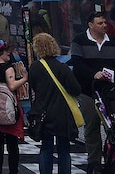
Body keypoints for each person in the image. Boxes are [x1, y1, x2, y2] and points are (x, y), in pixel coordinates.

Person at [70, 12, 115, 173]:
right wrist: (93, 74)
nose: (104, 26)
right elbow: (77, 64)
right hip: (88, 91)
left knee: (113, 127)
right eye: (100, 23)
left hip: (110, 92)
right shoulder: (79, 41)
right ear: (90, 25)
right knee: (92, 126)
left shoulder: (113, 42)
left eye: (105, 23)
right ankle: (94, 162)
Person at [29, 33, 82, 174]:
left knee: (46, 147)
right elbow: (76, 89)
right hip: (62, 112)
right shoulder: (62, 67)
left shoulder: (34, 67)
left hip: (43, 112)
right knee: (64, 149)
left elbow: (34, 88)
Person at [0, 40, 28, 174]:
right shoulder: (8, 68)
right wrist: (25, 78)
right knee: (12, 144)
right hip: (9, 110)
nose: (9, 53)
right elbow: (12, 85)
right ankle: (13, 171)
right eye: (6, 51)